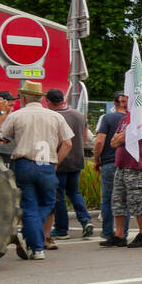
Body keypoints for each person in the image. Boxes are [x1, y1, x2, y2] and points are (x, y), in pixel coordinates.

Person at [0, 81, 73, 260]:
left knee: (28, 206)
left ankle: (37, 249)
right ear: (41, 98)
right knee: (47, 203)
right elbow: (68, 143)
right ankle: (35, 241)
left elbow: (3, 139)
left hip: (24, 163)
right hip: (47, 165)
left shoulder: (17, 115)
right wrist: (56, 163)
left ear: (23, 97)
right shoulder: (55, 117)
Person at [45, 88, 93, 240]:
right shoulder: (78, 114)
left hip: (60, 161)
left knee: (58, 195)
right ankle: (86, 221)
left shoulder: (53, 116)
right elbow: (85, 136)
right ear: (63, 99)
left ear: (48, 101)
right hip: (77, 160)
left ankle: (61, 229)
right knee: (74, 192)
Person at [102, 103, 142, 248]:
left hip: (135, 166)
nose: (127, 105)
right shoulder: (124, 120)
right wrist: (122, 137)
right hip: (121, 164)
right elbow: (113, 141)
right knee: (117, 200)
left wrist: (122, 138)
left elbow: (129, 137)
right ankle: (119, 235)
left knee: (135, 201)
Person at [94, 93, 130, 246]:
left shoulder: (107, 118)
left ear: (114, 104)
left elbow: (99, 141)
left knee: (108, 199)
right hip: (127, 163)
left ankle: (108, 232)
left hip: (109, 162)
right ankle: (123, 233)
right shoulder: (132, 119)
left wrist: (96, 160)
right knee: (124, 199)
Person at [0, 91, 14, 161]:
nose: (13, 109)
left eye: (13, 105)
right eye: (10, 105)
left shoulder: (12, 118)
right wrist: (2, 113)